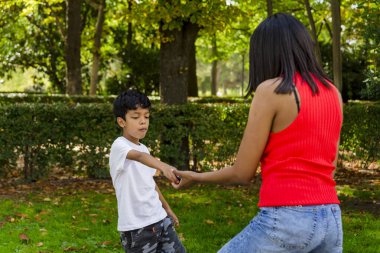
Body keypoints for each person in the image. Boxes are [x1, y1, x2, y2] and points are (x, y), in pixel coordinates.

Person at [173, 13, 343, 253]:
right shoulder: (332, 92)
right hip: (331, 219)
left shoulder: (271, 91)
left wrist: (196, 177)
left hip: (288, 218)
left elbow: (242, 173)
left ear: (265, 53)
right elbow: (330, 167)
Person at [109, 89, 186, 253]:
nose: (143, 121)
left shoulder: (144, 148)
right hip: (137, 228)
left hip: (160, 219)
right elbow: (138, 156)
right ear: (121, 122)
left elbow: (150, 183)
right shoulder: (119, 146)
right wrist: (163, 166)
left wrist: (167, 209)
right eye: (136, 117)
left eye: (146, 116)